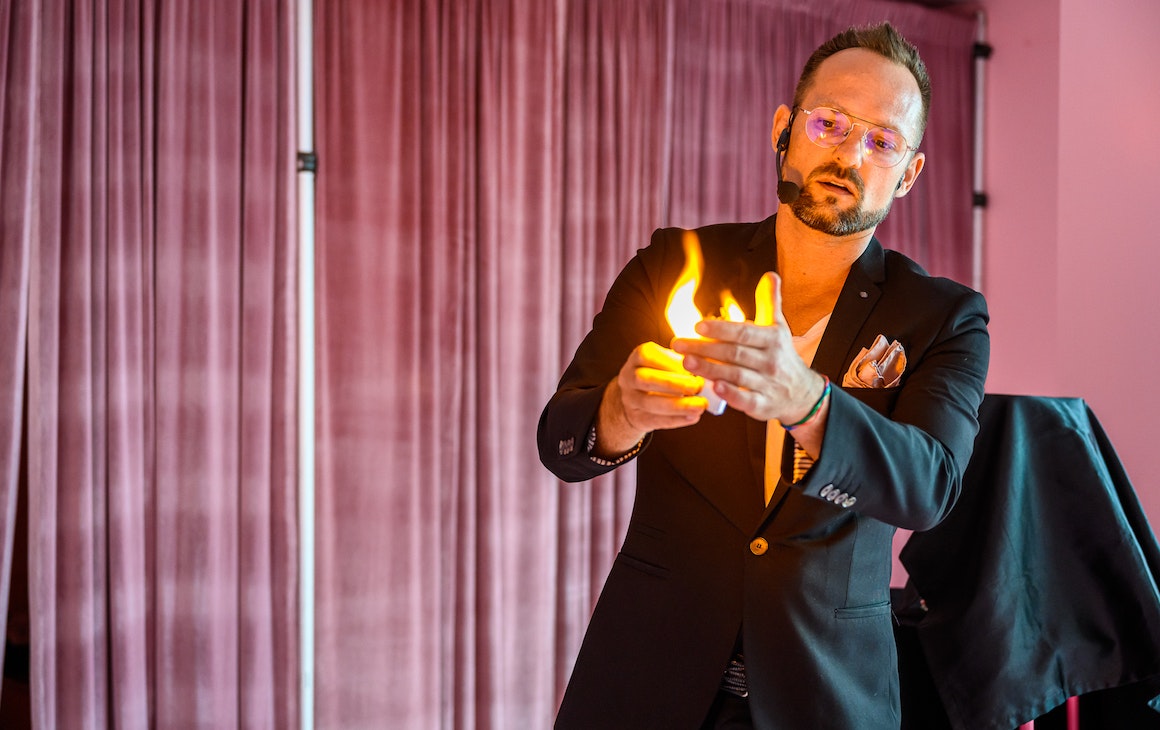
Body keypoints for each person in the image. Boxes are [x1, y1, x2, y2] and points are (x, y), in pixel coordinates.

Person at [537, 21, 989, 730]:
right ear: (783, 128)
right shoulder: (671, 263)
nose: (849, 154)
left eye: (880, 141)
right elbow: (560, 441)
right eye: (830, 122)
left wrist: (807, 401)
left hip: (828, 693)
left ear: (908, 174)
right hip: (645, 680)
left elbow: (930, 488)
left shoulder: (945, 317)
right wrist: (621, 414)